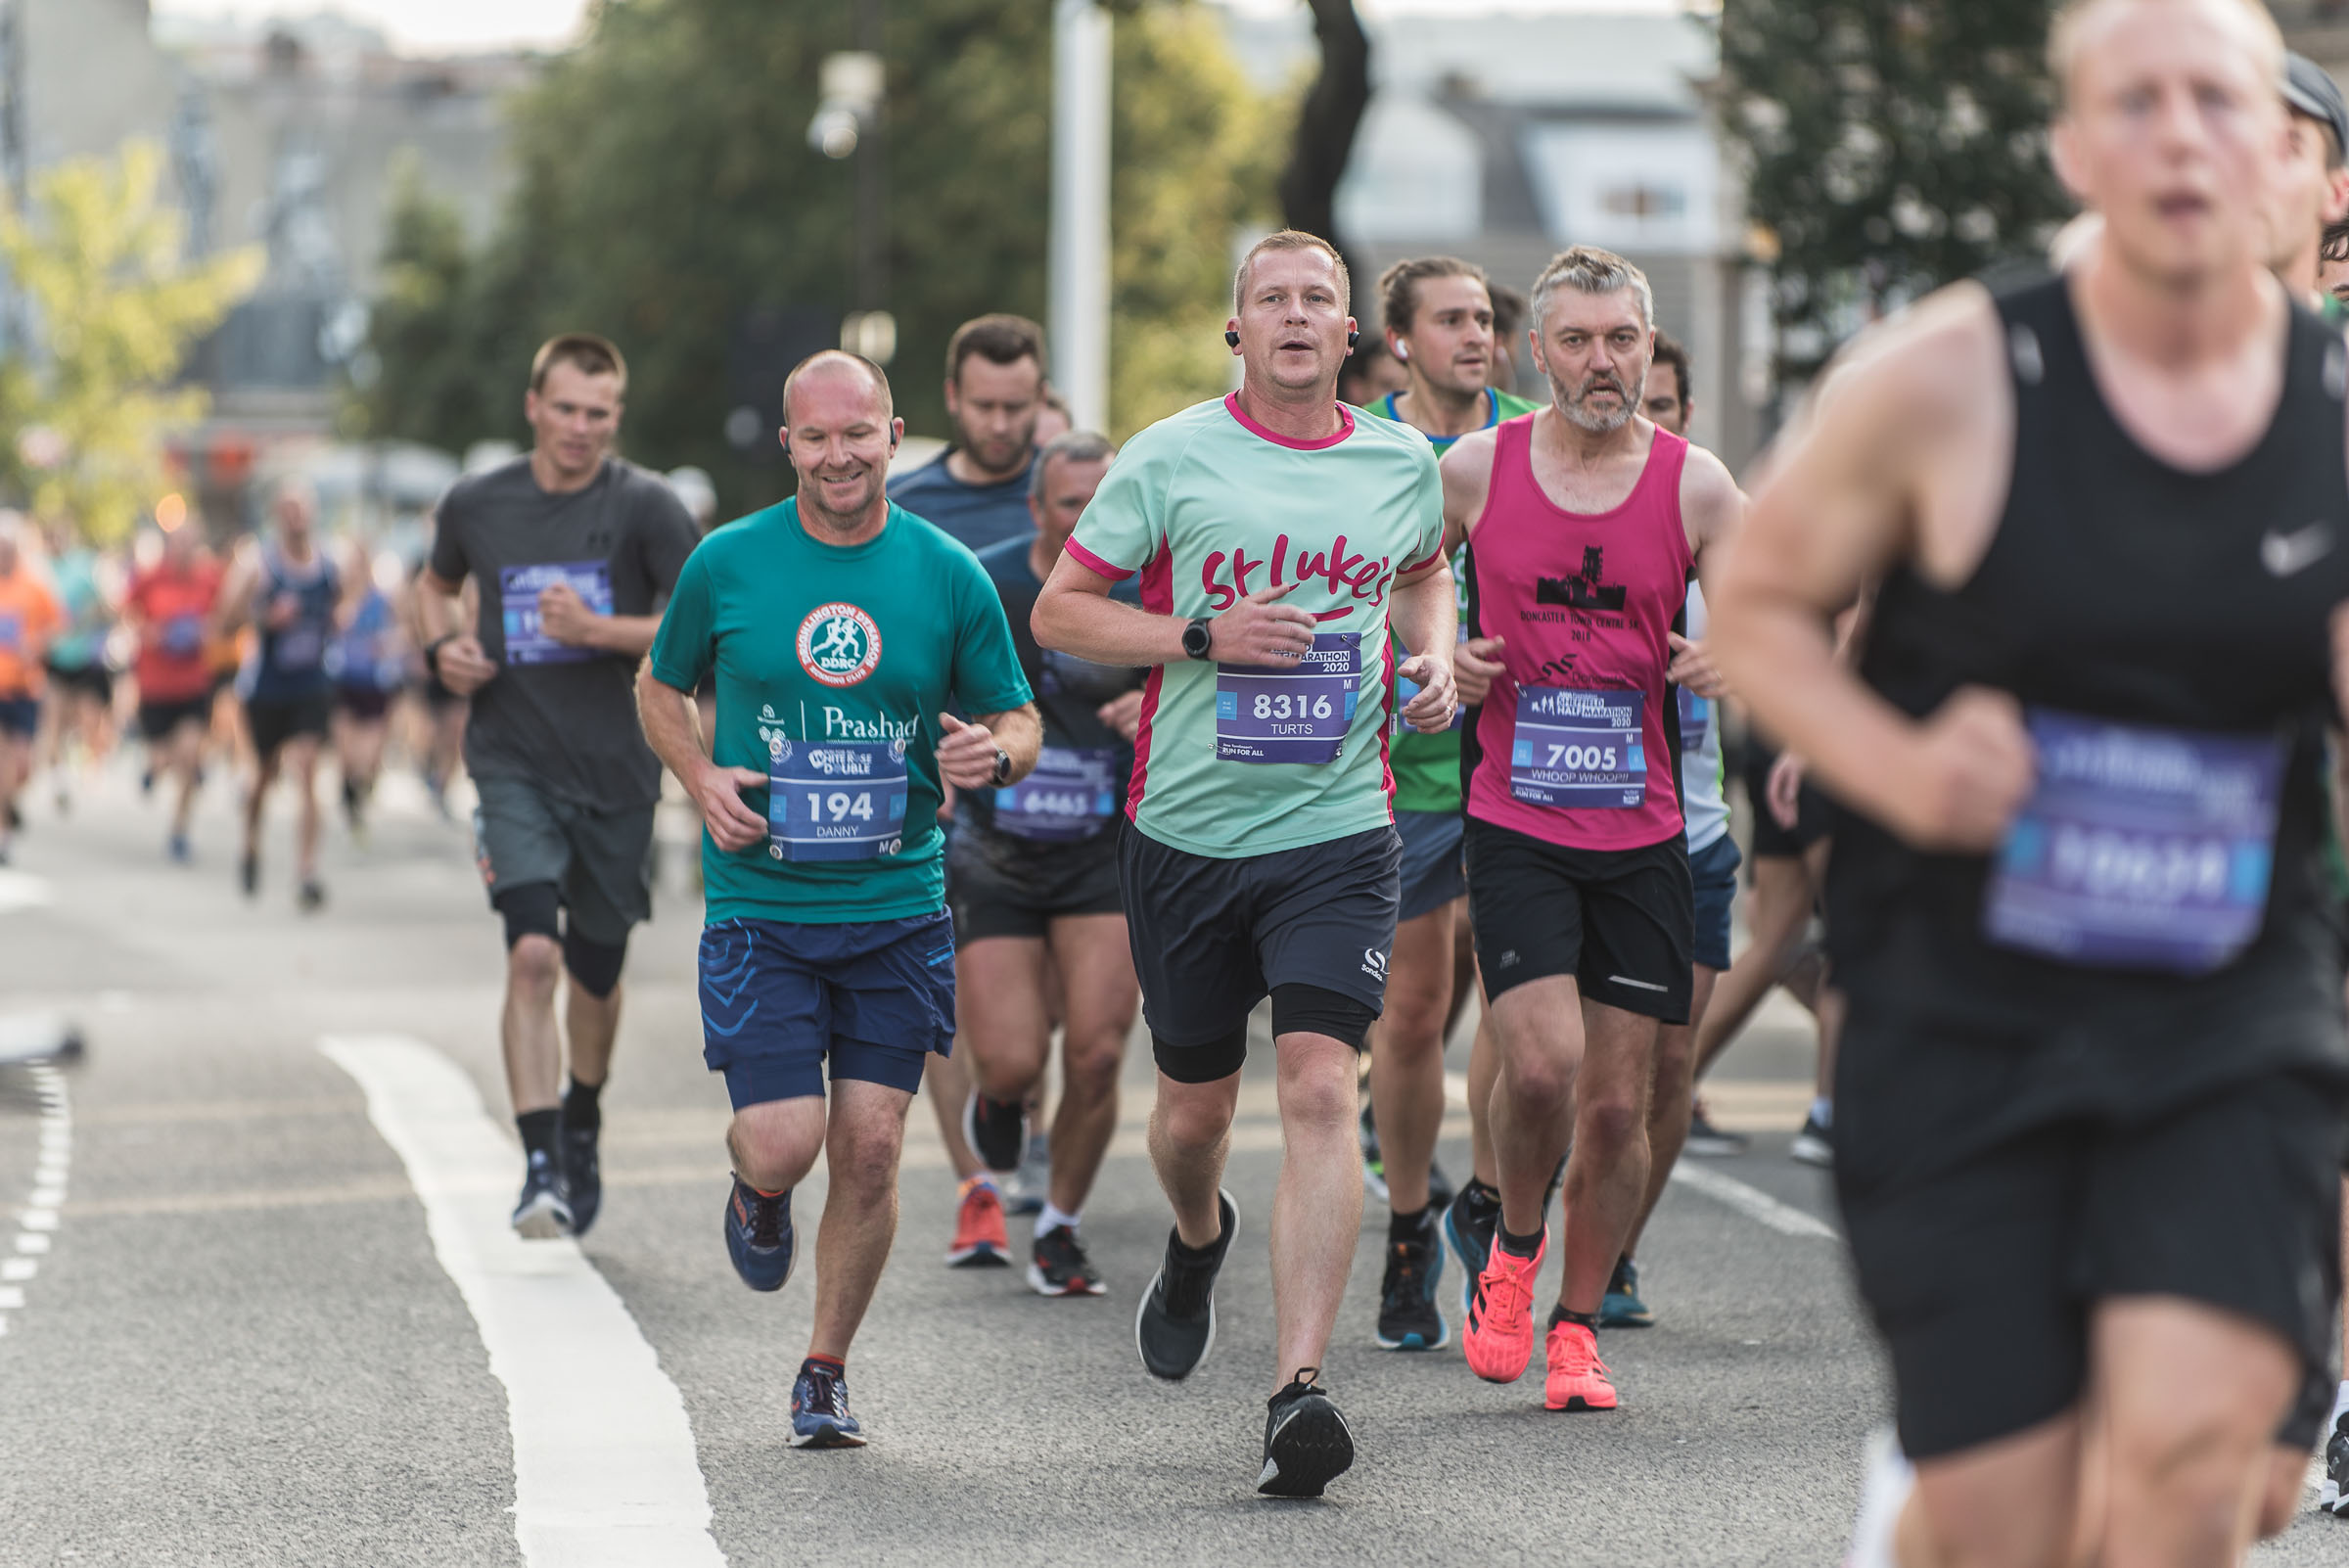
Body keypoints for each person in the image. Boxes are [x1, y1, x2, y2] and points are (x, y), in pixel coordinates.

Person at [1712, 3, 2349, 1563]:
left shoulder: (2333, 409)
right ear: (2072, 149)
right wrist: (1904, 769)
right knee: (2017, 1519)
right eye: (2135, 102)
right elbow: (1758, 603)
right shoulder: (1948, 375)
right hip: (1965, 1004)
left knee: (2199, 1472)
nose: (2180, 133)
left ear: (2289, 154)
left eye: (2219, 99)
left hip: (2225, 998)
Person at [1033, 229, 1458, 1498]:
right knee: (1196, 1118)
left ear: (1349, 333)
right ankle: (1196, 1233)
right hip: (1187, 838)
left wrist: (1433, 656)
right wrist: (1199, 634)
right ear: (1239, 329)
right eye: (1272, 298)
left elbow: (1425, 576)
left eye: (1317, 298)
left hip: (1338, 833)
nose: (1295, 315)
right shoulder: (1168, 456)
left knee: (1323, 1088)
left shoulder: (1401, 463)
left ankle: (1298, 1391)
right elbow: (1062, 612)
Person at [638, 349, 1039, 1449]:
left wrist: (995, 756)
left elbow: (1016, 713)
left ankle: (824, 1371)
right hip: (762, 902)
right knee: (784, 1140)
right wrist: (700, 777)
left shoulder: (947, 572)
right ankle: (758, 1190)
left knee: (869, 1148)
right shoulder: (728, 562)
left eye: (857, 433)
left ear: (893, 435)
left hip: (897, 905)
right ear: (788, 446)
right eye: (815, 437)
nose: (838, 456)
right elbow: (660, 685)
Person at [1444, 245, 1741, 1416]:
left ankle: (1576, 1327)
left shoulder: (1696, 484)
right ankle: (1513, 1248)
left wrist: (1737, 653)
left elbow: (1793, 603)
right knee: (1541, 1066)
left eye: (1621, 339)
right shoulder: (1476, 469)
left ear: (1647, 345)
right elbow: (1396, 581)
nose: (1601, 362)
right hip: (1513, 815)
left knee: (1620, 1105)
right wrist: (1440, 655)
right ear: (1538, 353)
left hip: (1645, 830)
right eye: (1577, 340)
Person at [417, 332, 699, 1240]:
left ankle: (582, 1113)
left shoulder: (647, 506)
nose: (581, 427)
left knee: (596, 971)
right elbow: (434, 586)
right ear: (534, 406)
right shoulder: (478, 502)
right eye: (567, 409)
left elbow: (699, 624)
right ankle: (539, 1159)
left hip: (619, 771)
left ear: (617, 418)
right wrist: (443, 647)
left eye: (599, 414)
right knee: (533, 953)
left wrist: (599, 631)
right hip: (512, 763)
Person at [1356, 254, 1543, 1353]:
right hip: (1407, 763)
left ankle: (1489, 1197)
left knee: (1521, 1010)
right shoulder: (1367, 446)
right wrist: (1429, 654)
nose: (1476, 336)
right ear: (1400, 341)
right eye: (1451, 321)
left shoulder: (1535, 437)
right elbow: (1344, 584)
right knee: (1414, 1012)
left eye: (1483, 319)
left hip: (1529, 758)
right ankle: (1410, 1225)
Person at [951, 431, 1145, 1297]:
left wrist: (1157, 699)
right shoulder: (985, 581)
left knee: (1098, 1054)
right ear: (1036, 507)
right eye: (1072, 503)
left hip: (1104, 852)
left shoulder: (1153, 589)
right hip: (997, 852)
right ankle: (997, 1102)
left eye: (1105, 502)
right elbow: (924, 685)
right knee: (1012, 1063)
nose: (1089, 518)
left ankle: (1060, 1228)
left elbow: (1219, 678)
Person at [887, 313, 1053, 1268]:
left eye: (1017, 406)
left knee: (1049, 999)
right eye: (984, 406)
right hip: (945, 790)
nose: (1000, 424)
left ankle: (1024, 1116)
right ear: (952, 399)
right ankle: (975, 1185)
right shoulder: (908, 507)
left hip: (1066, 782)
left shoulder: (1079, 498)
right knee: (939, 988)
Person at [1604, 329, 1745, 1329]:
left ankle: (1615, 1253)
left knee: (1667, 1063)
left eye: (1659, 404)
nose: (1640, 419)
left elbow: (1795, 638)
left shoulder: (1718, 521)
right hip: (1578, 832)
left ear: (1683, 416)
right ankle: (1519, 1213)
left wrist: (1736, 658)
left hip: (1693, 838)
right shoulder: (1562, 516)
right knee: (1579, 1068)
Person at [215, 481, 340, 910]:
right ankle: (250, 842)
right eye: (288, 509)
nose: (296, 517)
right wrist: (265, 617)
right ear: (275, 516)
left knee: (308, 769)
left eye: (301, 509)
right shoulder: (259, 565)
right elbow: (224, 620)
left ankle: (307, 871)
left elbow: (344, 607)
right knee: (263, 778)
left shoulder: (329, 564)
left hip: (311, 685)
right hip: (266, 687)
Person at [125, 520, 224, 862]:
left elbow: (226, 615)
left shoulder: (210, 578)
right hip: (155, 684)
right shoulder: (150, 578)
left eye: (190, 544)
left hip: (192, 684)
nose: (184, 550)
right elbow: (128, 614)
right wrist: (150, 631)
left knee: (190, 756)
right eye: (179, 543)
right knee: (162, 757)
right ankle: (153, 769)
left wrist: (210, 629)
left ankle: (180, 830)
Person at [327, 539, 405, 841]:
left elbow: (401, 632)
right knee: (347, 754)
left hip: (374, 683)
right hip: (343, 682)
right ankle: (348, 793)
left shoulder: (382, 600)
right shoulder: (336, 599)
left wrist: (385, 645)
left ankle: (361, 790)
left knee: (369, 757)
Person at [36, 524, 116, 815]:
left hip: (85, 659)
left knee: (90, 718)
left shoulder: (84, 567)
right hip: (55, 660)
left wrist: (87, 617)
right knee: (52, 720)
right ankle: (58, 780)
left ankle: (92, 767)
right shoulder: (39, 571)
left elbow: (107, 607)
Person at [0, 519, 61, 865]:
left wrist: (35, 644)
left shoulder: (34, 587)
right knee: (2, 763)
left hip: (25, 689)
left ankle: (9, 801)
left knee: (22, 765)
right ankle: (4, 833)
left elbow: (56, 627)